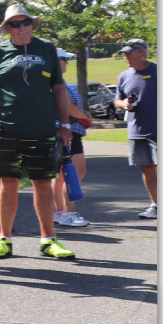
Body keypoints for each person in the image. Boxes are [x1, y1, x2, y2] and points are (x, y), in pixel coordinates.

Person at [0, 5, 76, 260]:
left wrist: (65, 124)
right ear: (7, 28)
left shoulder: (46, 48)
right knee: (8, 182)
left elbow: (58, 88)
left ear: (31, 24)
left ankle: (48, 239)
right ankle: (4, 238)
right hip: (5, 129)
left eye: (25, 22)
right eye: (15, 24)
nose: (22, 27)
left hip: (42, 128)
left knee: (43, 183)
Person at [115, 39, 159, 220]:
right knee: (147, 168)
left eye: (130, 53)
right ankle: (156, 205)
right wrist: (123, 104)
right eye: (125, 53)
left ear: (143, 53)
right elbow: (117, 100)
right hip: (136, 130)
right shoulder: (124, 76)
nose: (127, 57)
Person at [52, 53, 94, 228]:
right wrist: (85, 116)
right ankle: (67, 213)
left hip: (71, 131)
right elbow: (67, 106)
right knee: (75, 172)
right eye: (64, 59)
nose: (67, 63)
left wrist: (84, 115)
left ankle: (60, 212)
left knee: (63, 175)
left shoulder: (59, 81)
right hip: (64, 132)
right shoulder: (53, 82)